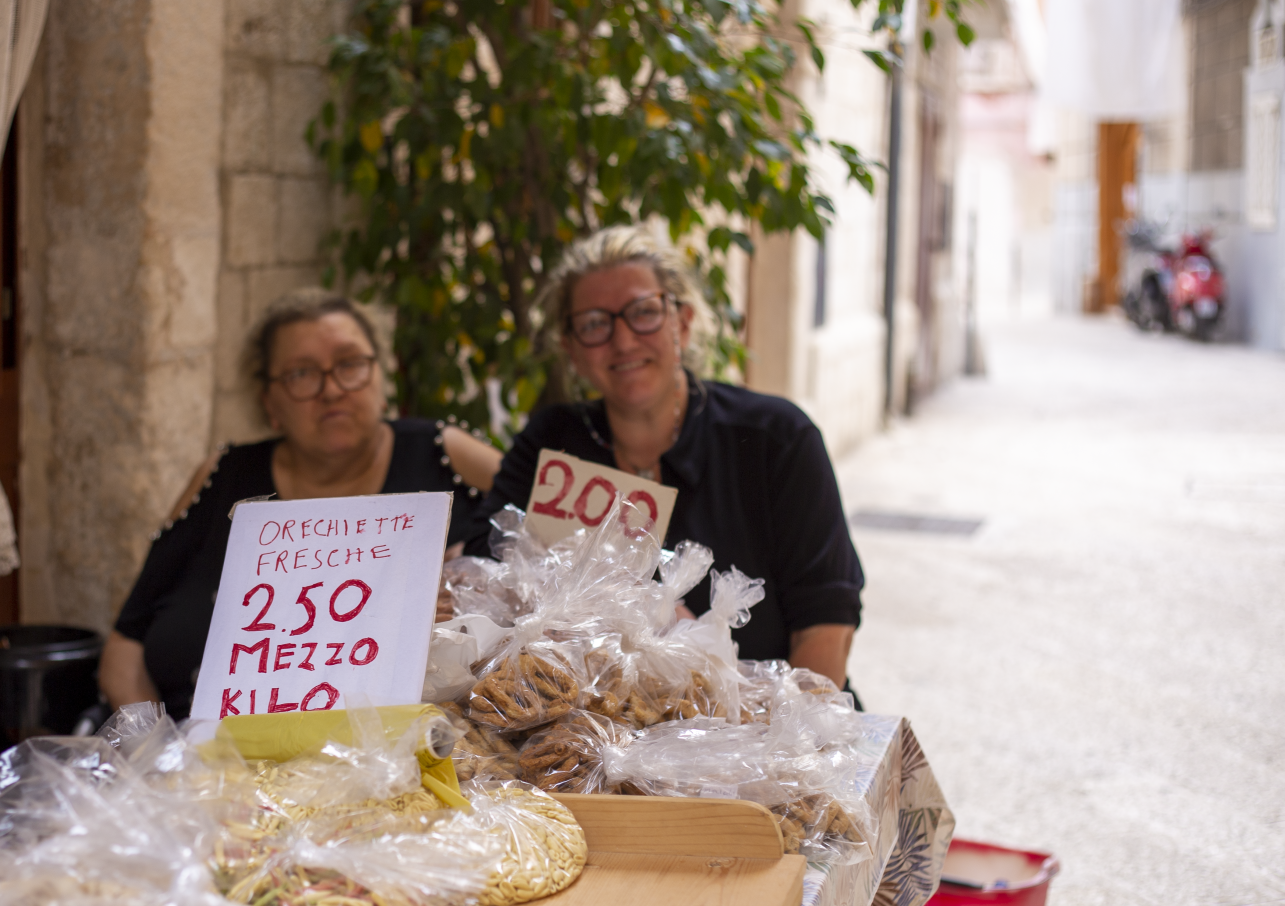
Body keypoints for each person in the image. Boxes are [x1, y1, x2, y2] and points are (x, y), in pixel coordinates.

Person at [468, 226, 865, 690]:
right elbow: (485, 573)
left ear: (683, 322)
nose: (623, 341)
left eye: (644, 312)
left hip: (766, 717)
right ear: (571, 349)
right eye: (594, 324)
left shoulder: (776, 438)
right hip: (593, 720)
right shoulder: (552, 443)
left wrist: (777, 723)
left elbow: (825, 624)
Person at [101, 290, 503, 718]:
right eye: (301, 374)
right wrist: (156, 750)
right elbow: (124, 651)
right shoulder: (223, 477)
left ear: (381, 378)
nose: (331, 390)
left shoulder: (447, 456)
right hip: (198, 749)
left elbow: (545, 558)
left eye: (350, 364)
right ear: (269, 402)